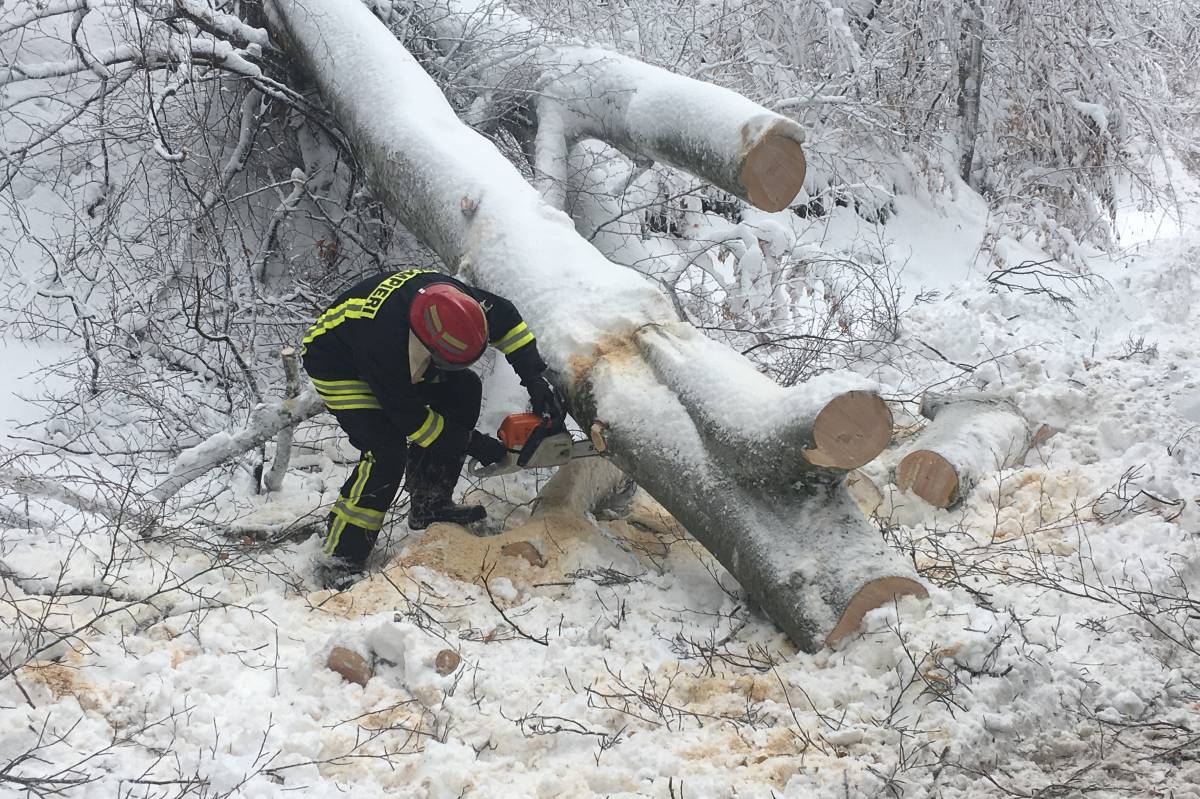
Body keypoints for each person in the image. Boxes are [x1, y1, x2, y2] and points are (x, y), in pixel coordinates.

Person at [300, 267, 564, 589]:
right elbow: (413, 422)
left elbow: (508, 320)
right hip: (336, 361)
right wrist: (472, 443)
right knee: (385, 451)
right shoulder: (383, 347)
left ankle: (430, 504)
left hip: (395, 343)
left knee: (463, 388)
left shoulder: (463, 306)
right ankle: (340, 557)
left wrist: (534, 379)